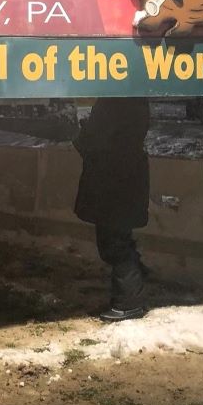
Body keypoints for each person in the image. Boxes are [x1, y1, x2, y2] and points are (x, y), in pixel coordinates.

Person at [73, 97, 150, 322]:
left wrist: (83, 130)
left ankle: (130, 302)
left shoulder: (114, 101)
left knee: (114, 243)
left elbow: (91, 140)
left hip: (113, 180)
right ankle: (134, 291)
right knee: (120, 238)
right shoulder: (136, 100)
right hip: (126, 177)